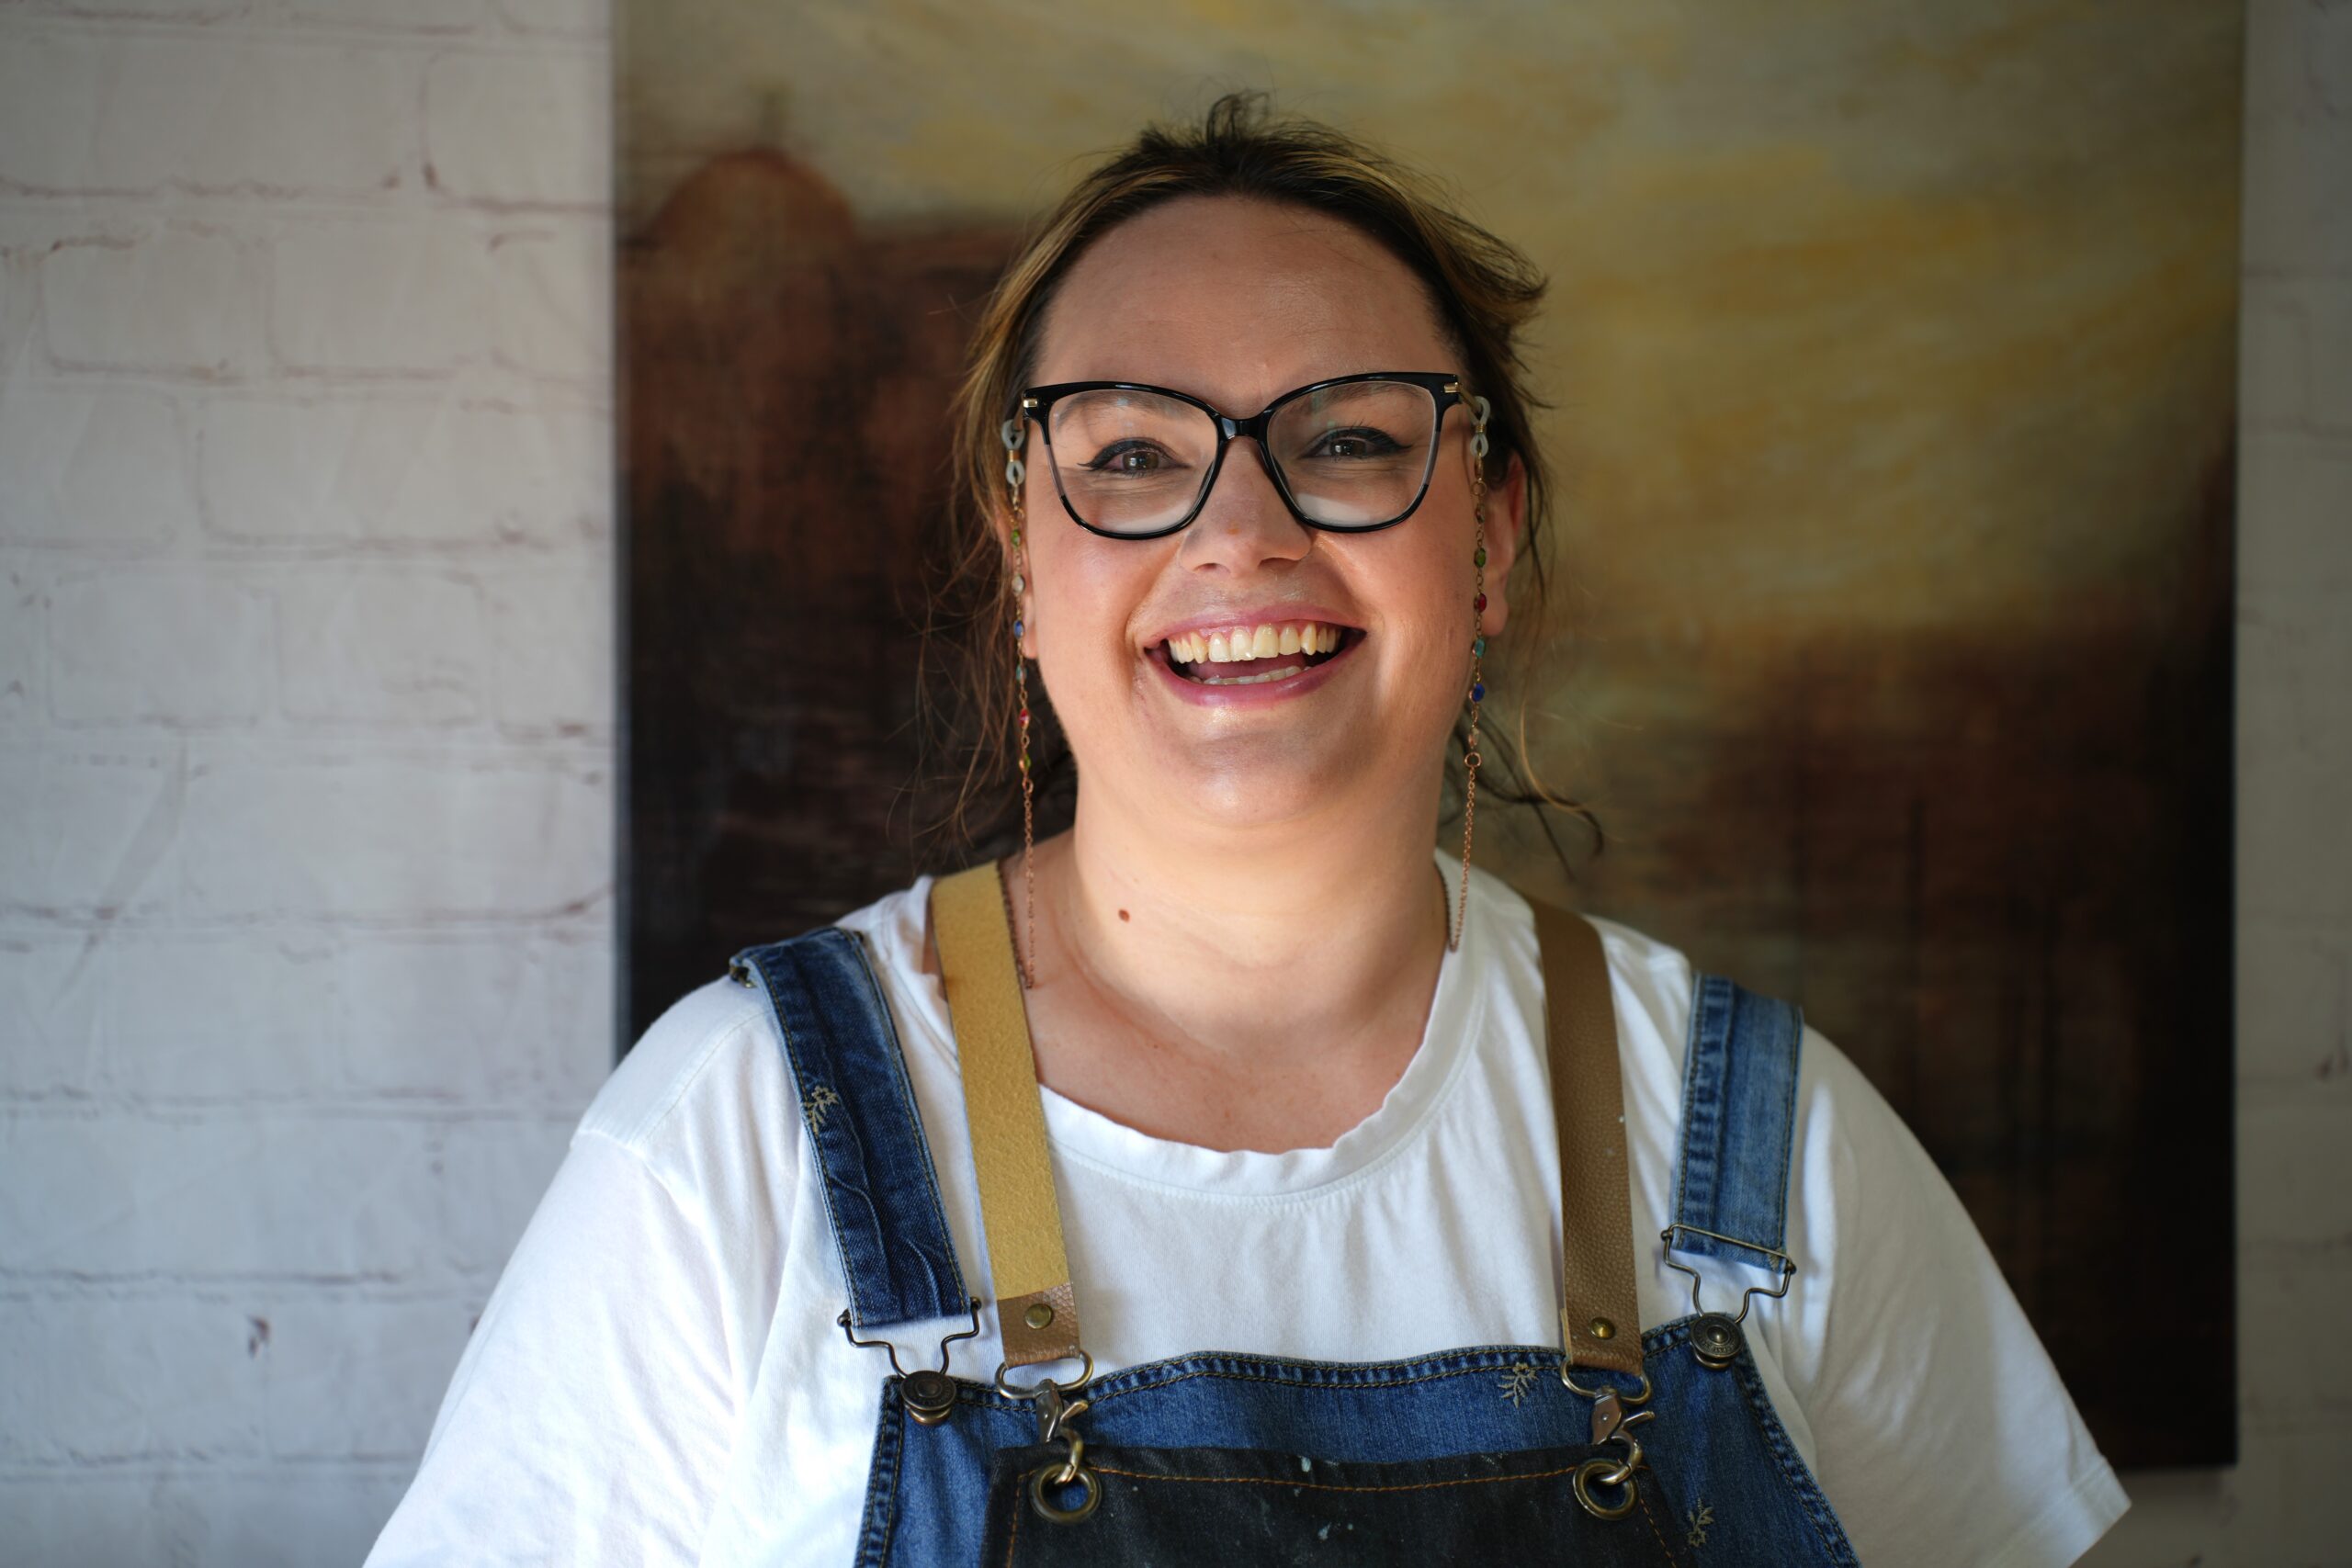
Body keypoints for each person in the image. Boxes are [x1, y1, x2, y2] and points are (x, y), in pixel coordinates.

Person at [368, 96, 2128, 1566]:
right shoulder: (735, 1144)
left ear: (1488, 538)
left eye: (1348, 439)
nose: (1241, 534)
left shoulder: (1760, 1148)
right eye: (1132, 455)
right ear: (1021, 564)